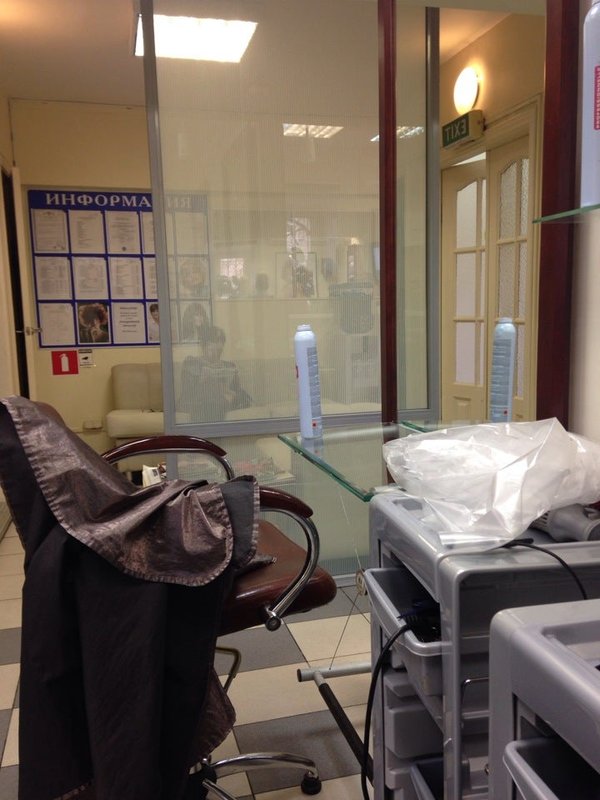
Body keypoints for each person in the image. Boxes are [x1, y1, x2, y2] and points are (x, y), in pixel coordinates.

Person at [179, 326, 251, 422]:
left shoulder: (229, 366)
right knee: (210, 405)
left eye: (221, 343)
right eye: (215, 341)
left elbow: (237, 392)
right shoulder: (192, 363)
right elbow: (187, 393)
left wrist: (231, 393)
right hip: (200, 405)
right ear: (204, 345)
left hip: (223, 403)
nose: (219, 346)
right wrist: (201, 379)